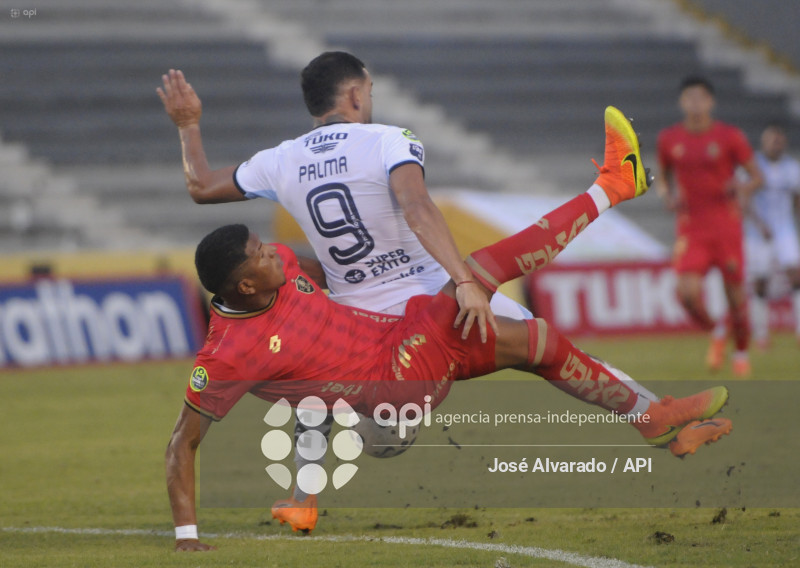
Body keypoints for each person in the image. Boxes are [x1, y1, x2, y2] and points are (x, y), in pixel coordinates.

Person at [165, 109, 733, 551]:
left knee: (537, 344)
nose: (276, 251)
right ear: (243, 287)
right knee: (481, 273)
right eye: (262, 253)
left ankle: (657, 420)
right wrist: (187, 540)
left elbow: (217, 199)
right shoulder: (227, 354)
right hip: (395, 386)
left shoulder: (283, 269)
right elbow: (182, 443)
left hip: (397, 349)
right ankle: (613, 186)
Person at [158, 51, 535, 531]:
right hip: (429, 287)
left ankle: (303, 497)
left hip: (355, 305)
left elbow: (201, 185)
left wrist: (188, 124)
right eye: (370, 90)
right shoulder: (388, 140)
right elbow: (417, 208)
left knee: (313, 385)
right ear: (356, 93)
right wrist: (463, 280)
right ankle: (644, 410)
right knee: (540, 346)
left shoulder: (282, 159)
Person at [656, 76, 763, 376]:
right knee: (686, 294)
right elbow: (663, 177)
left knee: (737, 298)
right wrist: (667, 194)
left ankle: (741, 353)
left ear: (710, 102)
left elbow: (757, 177)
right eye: (689, 98)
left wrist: (741, 186)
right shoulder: (669, 139)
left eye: (700, 98)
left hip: (725, 226)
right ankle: (717, 331)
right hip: (692, 228)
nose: (695, 104)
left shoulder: (729, 136)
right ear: (682, 102)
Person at [744, 123, 800, 347]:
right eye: (772, 141)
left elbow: (797, 198)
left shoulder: (792, 168)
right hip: (758, 232)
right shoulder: (752, 166)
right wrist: (758, 224)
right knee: (760, 282)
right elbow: (743, 199)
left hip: (785, 229)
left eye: (779, 141)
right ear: (764, 143)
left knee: (796, 275)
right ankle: (761, 335)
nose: (776, 145)